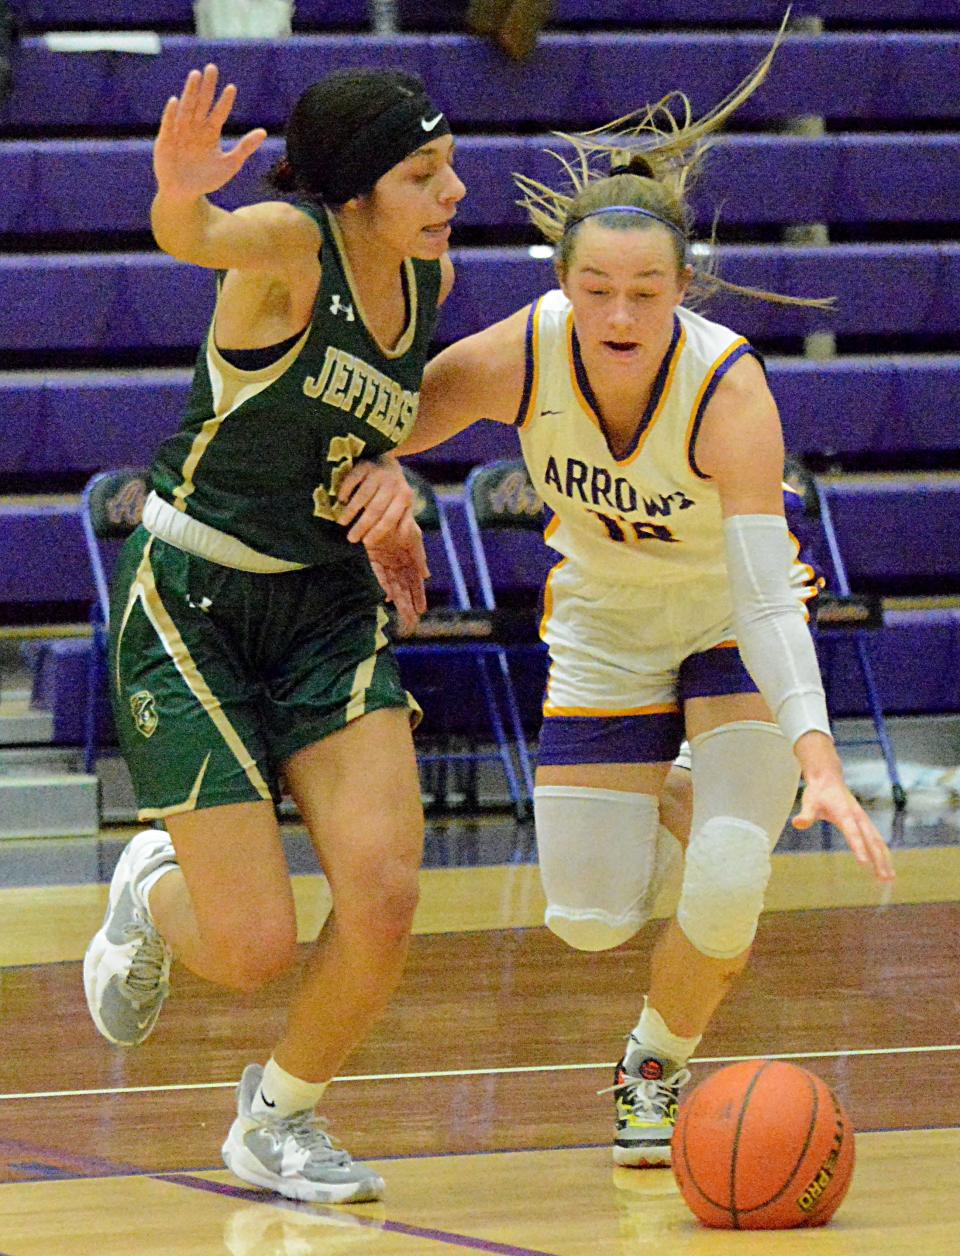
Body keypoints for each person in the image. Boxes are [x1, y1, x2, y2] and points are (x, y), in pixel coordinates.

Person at [338, 33, 895, 1169]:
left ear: (682, 288)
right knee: (586, 919)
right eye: (595, 286)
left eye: (646, 288)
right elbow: (375, 423)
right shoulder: (524, 353)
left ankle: (652, 1060)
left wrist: (820, 756)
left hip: (731, 621)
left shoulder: (728, 385)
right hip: (603, 621)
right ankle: (682, 794)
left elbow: (761, 591)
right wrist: (385, 473)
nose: (620, 308)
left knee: (735, 870)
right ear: (562, 283)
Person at [82, 62, 465, 1203]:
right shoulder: (293, 247)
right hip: (194, 597)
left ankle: (281, 1118)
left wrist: (395, 477)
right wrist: (178, 190)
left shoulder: (427, 270)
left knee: (388, 890)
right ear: (352, 193)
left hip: (324, 602)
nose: (452, 189)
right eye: (421, 173)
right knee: (251, 948)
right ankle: (152, 881)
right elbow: (196, 233)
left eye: (448, 164)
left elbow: (381, 415)